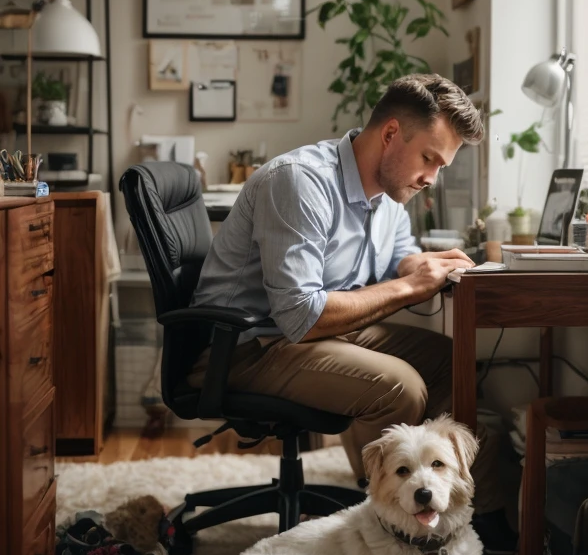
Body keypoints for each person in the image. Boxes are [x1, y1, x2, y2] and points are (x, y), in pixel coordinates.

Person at [189, 73, 509, 522]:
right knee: (402, 388)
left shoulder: (391, 192)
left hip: (308, 335)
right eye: (429, 159)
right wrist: (408, 287)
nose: (432, 179)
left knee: (448, 361)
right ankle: (383, 520)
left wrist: (422, 266)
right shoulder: (300, 183)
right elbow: (300, 317)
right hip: (243, 348)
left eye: (442, 166)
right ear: (391, 134)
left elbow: (399, 256)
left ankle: (472, 520)